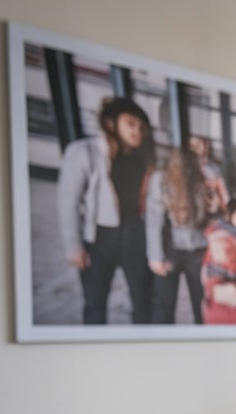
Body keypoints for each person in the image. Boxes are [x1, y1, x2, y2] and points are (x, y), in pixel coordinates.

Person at [55, 96, 156, 324]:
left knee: (143, 302)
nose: (137, 131)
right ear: (111, 123)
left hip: (136, 237)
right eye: (130, 123)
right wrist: (74, 247)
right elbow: (68, 201)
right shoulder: (84, 152)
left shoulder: (144, 157)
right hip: (100, 239)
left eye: (141, 126)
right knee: (95, 304)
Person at [145, 146, 209, 323]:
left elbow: (208, 213)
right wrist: (155, 256)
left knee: (202, 307)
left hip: (197, 248)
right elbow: (154, 218)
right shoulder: (160, 179)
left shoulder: (199, 176)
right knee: (164, 309)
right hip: (169, 250)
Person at [188, 134, 230, 218]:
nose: (195, 148)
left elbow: (222, 194)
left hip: (211, 211)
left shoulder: (213, 169)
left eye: (199, 144)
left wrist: (222, 206)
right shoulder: (188, 169)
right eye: (193, 146)